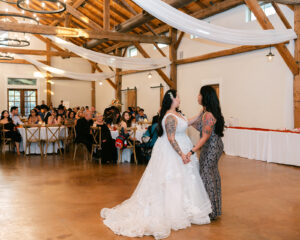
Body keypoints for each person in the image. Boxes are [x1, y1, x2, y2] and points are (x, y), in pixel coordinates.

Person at [101, 90, 212, 239]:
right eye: (178, 96)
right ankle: (172, 211)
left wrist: (200, 113)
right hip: (172, 151)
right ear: (172, 99)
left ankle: (184, 207)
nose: (180, 98)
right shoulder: (170, 117)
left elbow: (187, 122)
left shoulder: (177, 114)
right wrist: (182, 155)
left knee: (183, 180)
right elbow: (172, 139)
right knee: (170, 179)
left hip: (182, 148)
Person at [187, 85, 224, 221]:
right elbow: (198, 124)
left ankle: (211, 210)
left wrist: (192, 150)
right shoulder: (206, 112)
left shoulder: (208, 115)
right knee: (212, 174)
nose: (197, 96)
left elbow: (205, 136)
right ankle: (215, 208)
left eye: (199, 94)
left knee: (206, 175)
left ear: (205, 97)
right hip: (212, 146)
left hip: (212, 147)